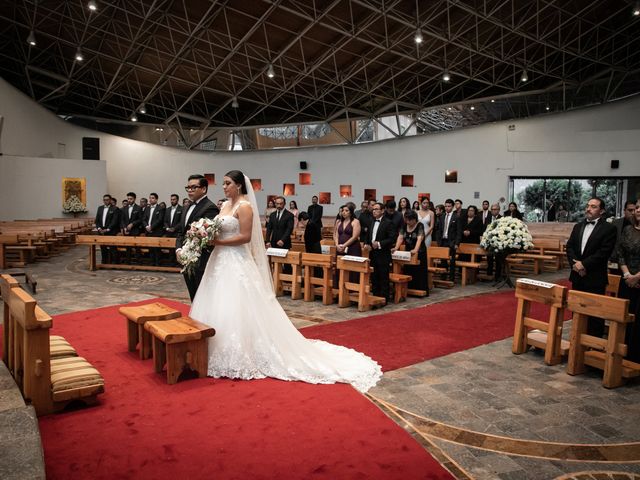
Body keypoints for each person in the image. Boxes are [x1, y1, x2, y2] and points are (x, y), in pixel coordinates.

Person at [188, 170, 381, 392]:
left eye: (228, 183)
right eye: (223, 183)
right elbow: (217, 228)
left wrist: (218, 242)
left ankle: (245, 350)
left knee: (238, 302)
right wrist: (205, 234)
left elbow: (245, 237)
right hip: (219, 260)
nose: (224, 187)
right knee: (217, 300)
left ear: (239, 186)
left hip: (235, 259)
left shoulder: (245, 207)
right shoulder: (223, 207)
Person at [566, 197, 617, 337]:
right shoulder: (578, 226)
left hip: (595, 277)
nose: (588, 209)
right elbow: (570, 247)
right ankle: (576, 339)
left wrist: (584, 264)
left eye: (593, 206)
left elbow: (604, 252)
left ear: (602, 211)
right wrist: (575, 265)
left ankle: (594, 344)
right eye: (588, 205)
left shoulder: (609, 229)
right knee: (576, 310)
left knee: (595, 314)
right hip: (577, 275)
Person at [176, 174, 220, 301]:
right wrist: (178, 250)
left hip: (200, 260)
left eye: (194, 187)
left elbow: (207, 237)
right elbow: (180, 232)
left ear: (204, 189)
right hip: (185, 259)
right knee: (193, 295)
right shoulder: (186, 207)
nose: (190, 190)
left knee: (202, 297)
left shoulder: (210, 207)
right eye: (188, 187)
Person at [618, 201, 640, 362]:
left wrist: (637, 276)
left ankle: (635, 358)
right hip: (626, 281)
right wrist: (627, 275)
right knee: (624, 317)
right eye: (637, 207)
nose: (638, 210)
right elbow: (621, 254)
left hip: (639, 280)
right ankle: (622, 353)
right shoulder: (627, 229)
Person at [363, 202, 395, 304]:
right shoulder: (371, 221)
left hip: (383, 254)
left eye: (376, 209)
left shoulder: (388, 222)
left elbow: (392, 238)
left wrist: (380, 244)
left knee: (383, 277)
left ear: (382, 211)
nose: (374, 211)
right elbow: (368, 237)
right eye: (373, 209)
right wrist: (366, 244)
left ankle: (384, 299)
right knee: (374, 276)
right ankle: (375, 298)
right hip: (372, 253)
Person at [393, 210, 428, 295]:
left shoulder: (420, 225)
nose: (408, 222)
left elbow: (420, 238)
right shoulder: (404, 225)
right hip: (408, 252)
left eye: (410, 220)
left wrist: (416, 250)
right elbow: (400, 237)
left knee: (419, 271)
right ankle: (408, 288)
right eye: (406, 220)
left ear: (414, 219)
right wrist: (396, 248)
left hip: (419, 251)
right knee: (408, 269)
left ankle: (420, 289)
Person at [437, 199, 461, 282]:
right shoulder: (442, 216)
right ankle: (443, 277)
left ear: (453, 206)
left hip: (452, 242)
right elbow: (439, 229)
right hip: (443, 241)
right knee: (443, 261)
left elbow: (458, 232)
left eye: (449, 206)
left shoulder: (456, 217)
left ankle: (451, 279)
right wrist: (438, 241)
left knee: (452, 261)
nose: (447, 208)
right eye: (446, 206)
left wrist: (457, 243)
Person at [95, 194, 119, 263]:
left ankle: (114, 263)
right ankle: (104, 262)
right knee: (103, 248)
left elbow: (114, 221)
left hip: (110, 231)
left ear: (110, 200)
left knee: (112, 248)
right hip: (101, 231)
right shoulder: (100, 208)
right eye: (104, 200)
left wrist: (108, 229)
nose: (105, 201)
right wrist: (99, 228)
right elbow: (97, 220)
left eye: (107, 200)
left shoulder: (114, 208)